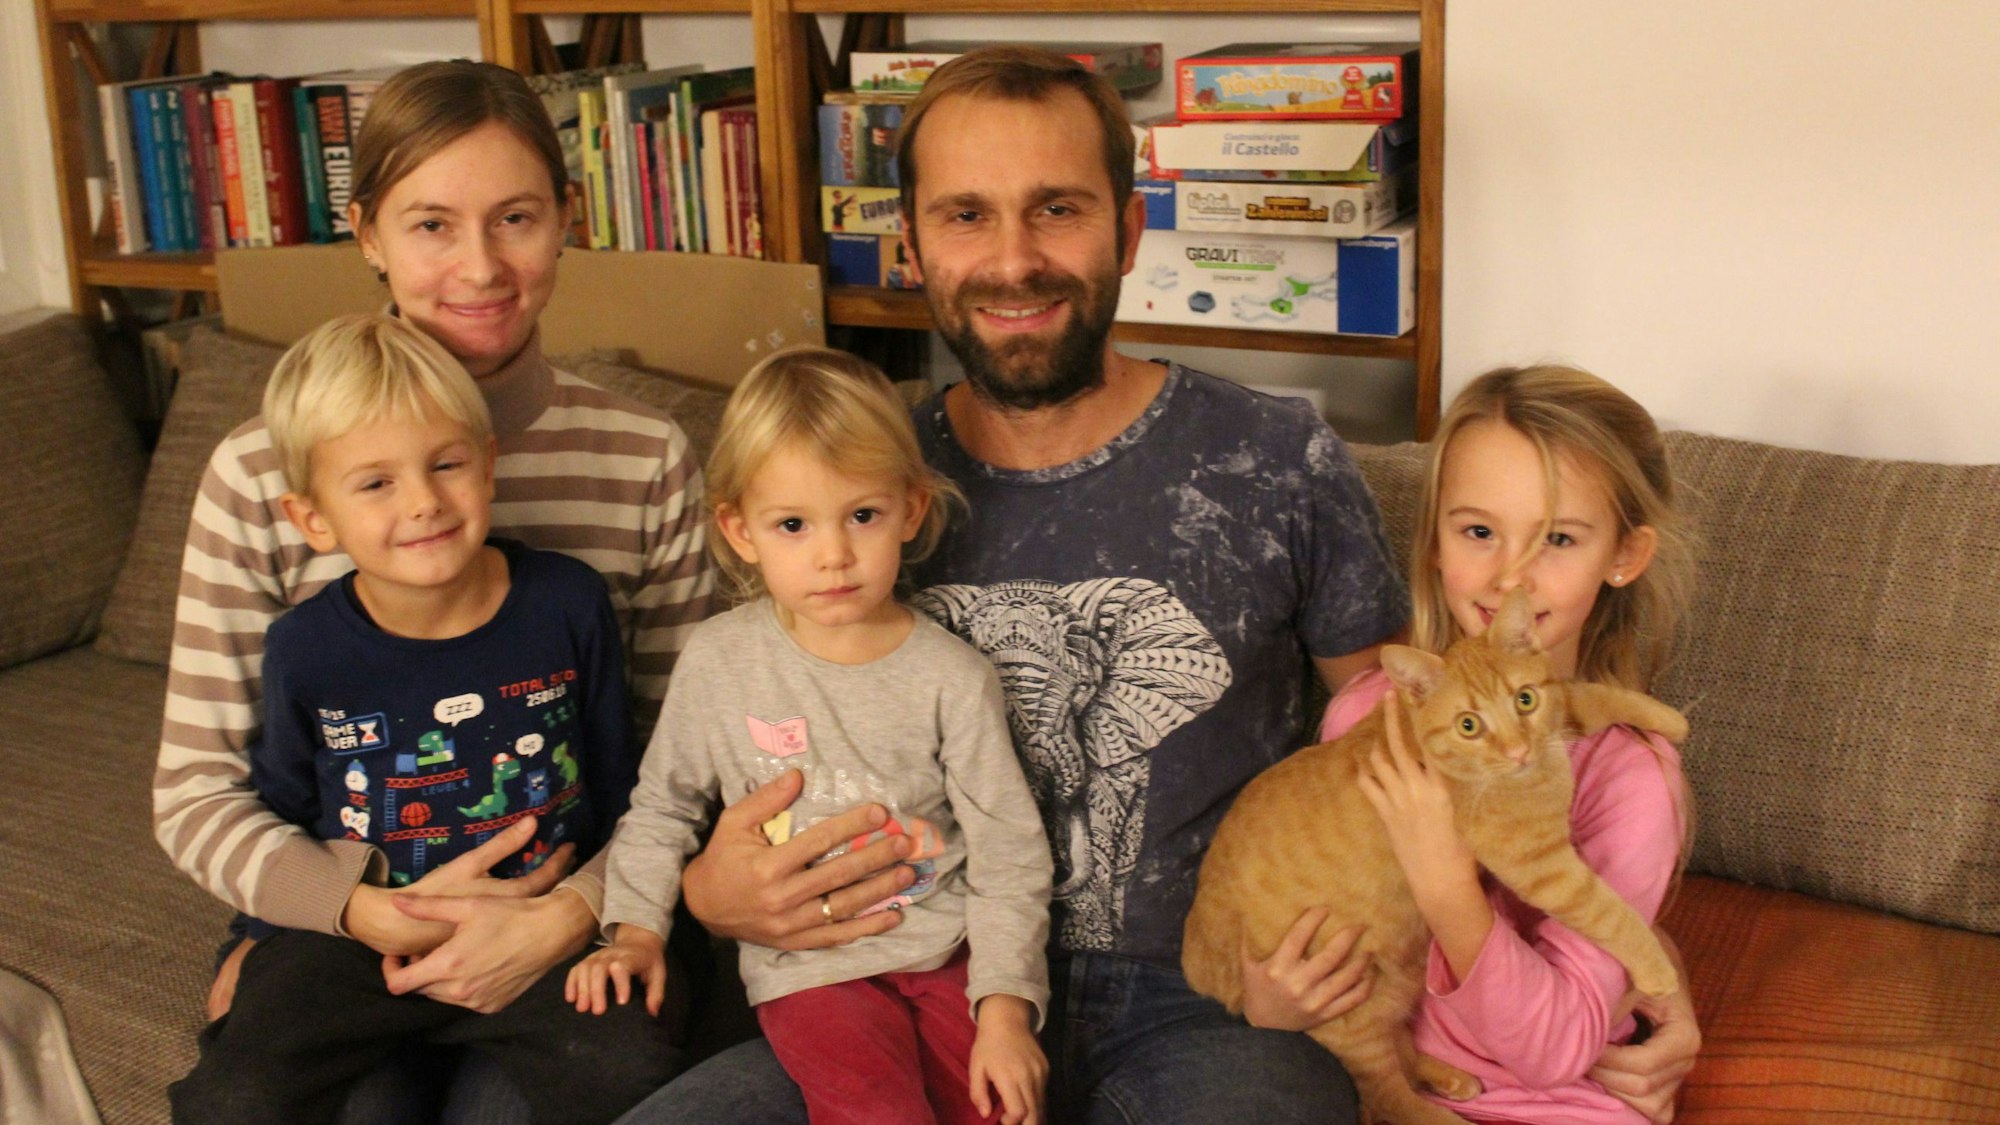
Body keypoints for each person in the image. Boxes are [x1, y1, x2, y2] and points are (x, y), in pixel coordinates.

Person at [626, 45, 1703, 1125]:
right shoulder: (849, 484)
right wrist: (706, 895)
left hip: (1200, 1004)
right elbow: (728, 743)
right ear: (909, 244)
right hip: (904, 981)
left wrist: (1639, 966)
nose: (1012, 260)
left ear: (1129, 230)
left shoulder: (1278, 460)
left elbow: (1439, 746)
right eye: (964, 216)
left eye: (1056, 209)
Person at [151, 60, 713, 1119]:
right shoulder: (258, 471)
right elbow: (196, 794)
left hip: (567, 915)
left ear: (566, 221)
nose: (479, 266)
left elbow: (690, 759)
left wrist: (574, 912)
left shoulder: (643, 460)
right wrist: (341, 910)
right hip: (351, 925)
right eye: (429, 225)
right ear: (365, 233)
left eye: (514, 218)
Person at [169, 314, 673, 1124]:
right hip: (361, 940)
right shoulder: (303, 647)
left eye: (446, 464)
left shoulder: (568, 603)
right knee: (233, 1095)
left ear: (489, 463)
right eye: (375, 483)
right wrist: (259, 932)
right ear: (313, 520)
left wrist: (611, 915)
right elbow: (284, 802)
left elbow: (626, 780)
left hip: (540, 928)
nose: (425, 503)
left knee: (636, 1070)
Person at [569, 346, 1055, 1125]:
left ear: (912, 508)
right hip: (810, 971)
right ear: (740, 529)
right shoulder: (720, 659)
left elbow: (1008, 854)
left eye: (862, 515)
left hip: (949, 957)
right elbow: (661, 810)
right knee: (876, 1110)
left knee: (1000, 1107)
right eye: (793, 523)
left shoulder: (954, 677)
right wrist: (634, 934)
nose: (833, 555)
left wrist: (1004, 1010)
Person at [1302, 364, 1698, 1123]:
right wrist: (1275, 991)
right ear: (1435, 545)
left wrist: (1446, 882)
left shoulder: (1631, 778)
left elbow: (1556, 1049)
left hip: (1549, 1104)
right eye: (1479, 531)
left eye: (1556, 538)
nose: (1510, 575)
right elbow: (1331, 939)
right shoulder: (1366, 716)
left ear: (1624, 555)